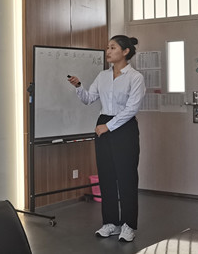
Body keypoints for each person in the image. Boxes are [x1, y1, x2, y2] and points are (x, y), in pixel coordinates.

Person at [67, 35, 145, 243]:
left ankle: (128, 225)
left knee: (127, 177)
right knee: (106, 175)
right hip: (103, 125)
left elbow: (132, 109)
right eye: (108, 48)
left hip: (124, 127)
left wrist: (108, 126)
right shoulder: (102, 76)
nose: (108, 51)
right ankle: (110, 222)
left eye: (112, 48)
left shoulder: (135, 77)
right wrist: (78, 86)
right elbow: (88, 99)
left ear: (125, 52)